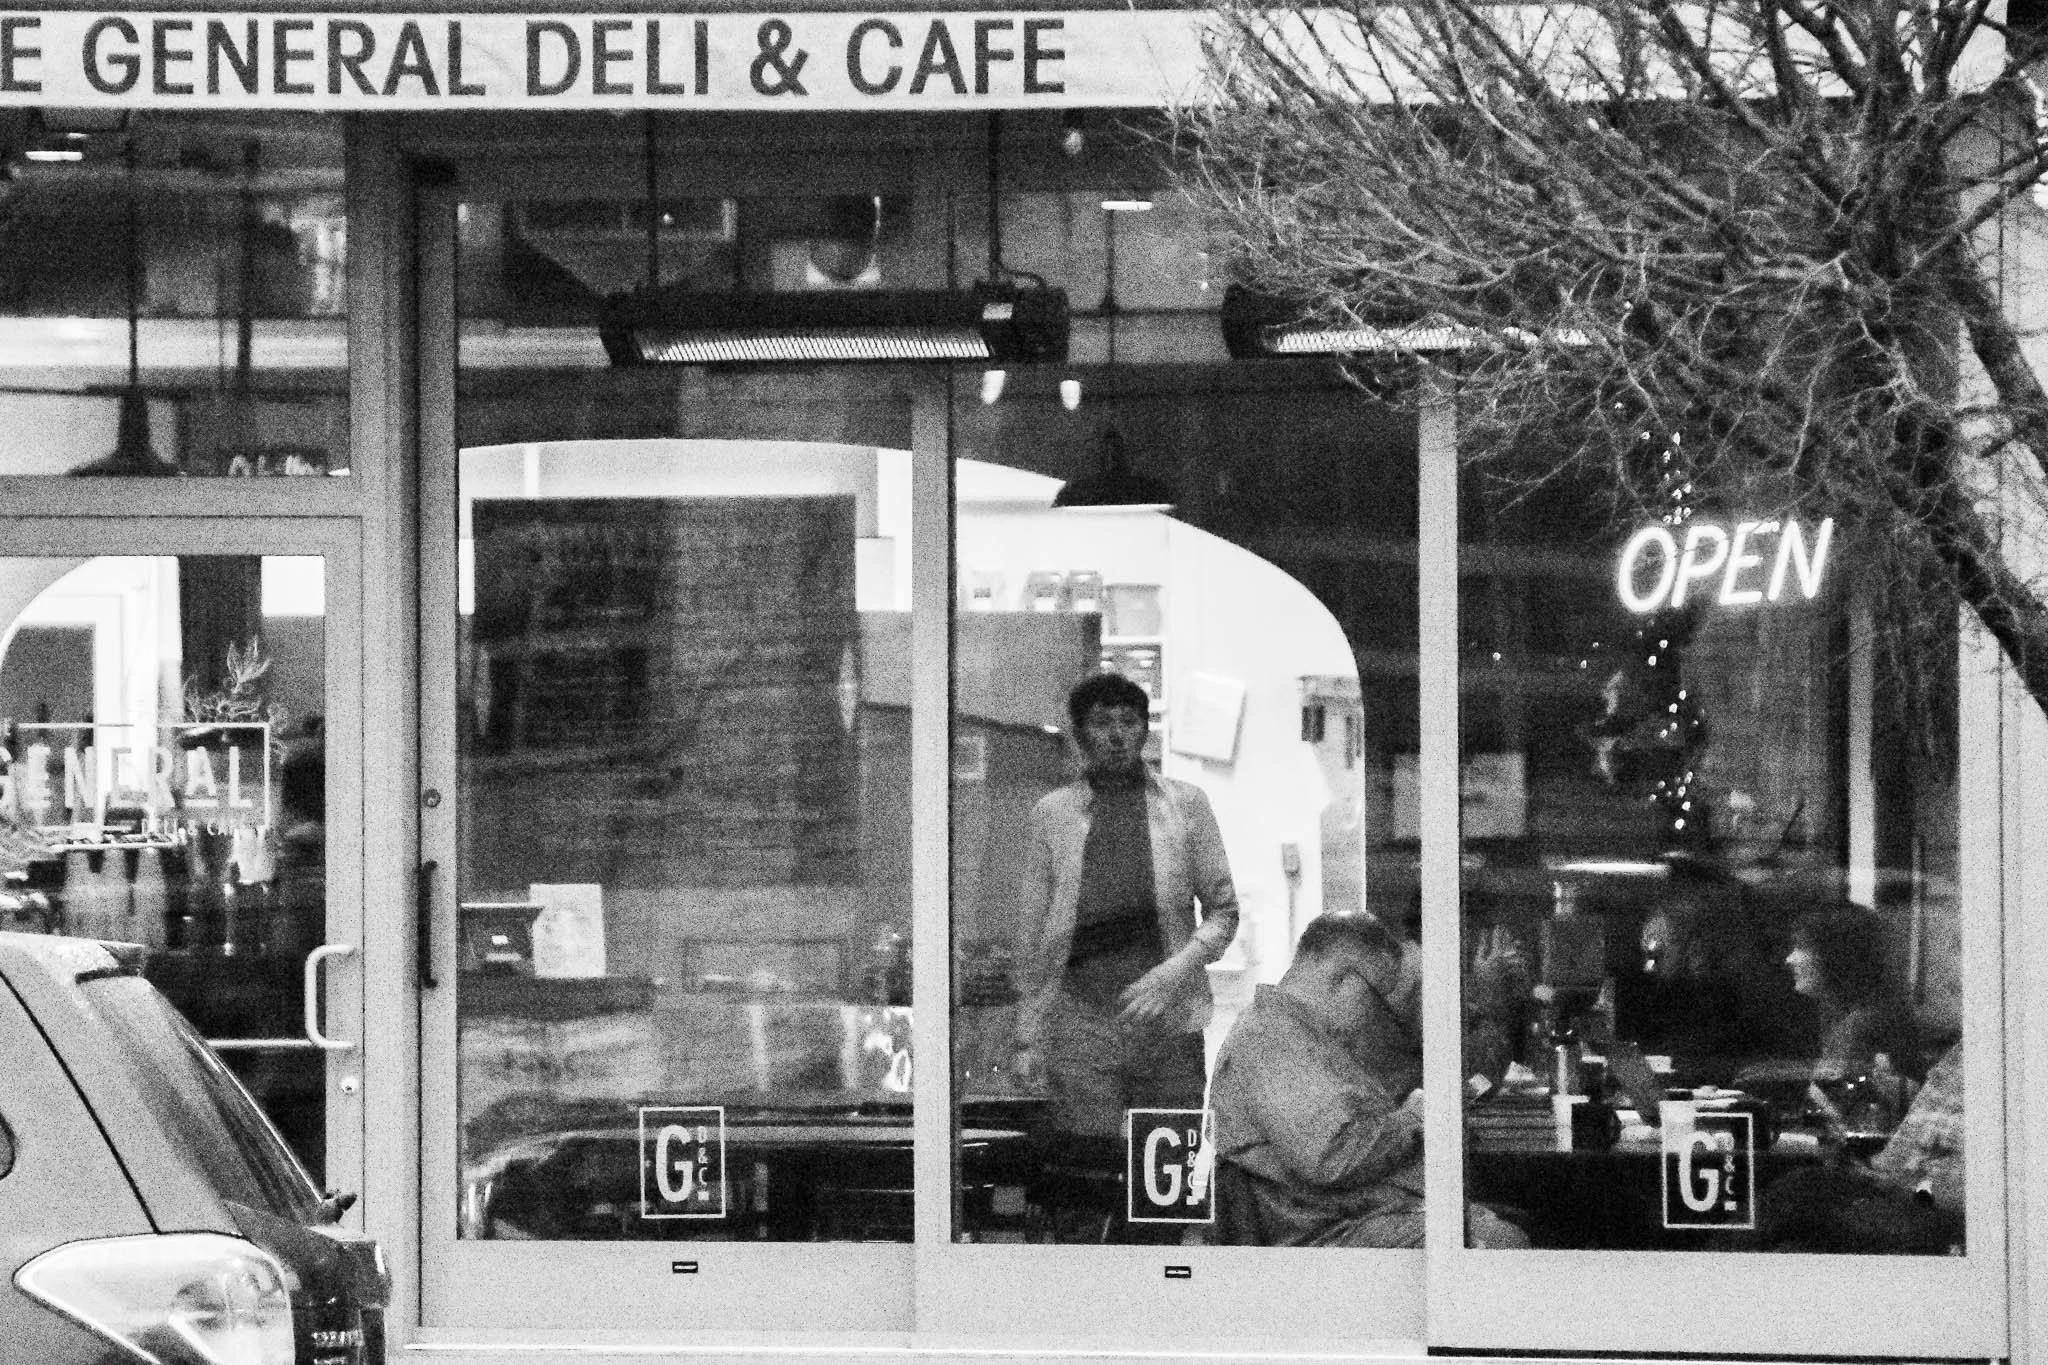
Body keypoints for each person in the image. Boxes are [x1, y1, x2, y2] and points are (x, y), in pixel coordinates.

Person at [1010, 671, 1240, 1138]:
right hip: (1079, 1022)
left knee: (1170, 1172)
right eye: (1101, 723)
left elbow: (1224, 912)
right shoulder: (1051, 814)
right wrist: (1027, 1031)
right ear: (1079, 735)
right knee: (1089, 1168)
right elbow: (1033, 932)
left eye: (1129, 721)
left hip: (1169, 1021)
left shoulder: (1186, 805)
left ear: (1144, 730)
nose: (1116, 735)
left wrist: (1175, 972)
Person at [1208, 913, 1528, 1248]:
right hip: (1330, 1234)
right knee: (1498, 1243)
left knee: (1509, 1227)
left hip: (1363, 1215)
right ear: (1343, 979)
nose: (1376, 1015)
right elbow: (1330, 1158)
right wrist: (1413, 1118)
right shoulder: (1270, 1037)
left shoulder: (1304, 1035)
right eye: (1378, 997)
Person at [1757, 1041, 1964, 1254]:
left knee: (1797, 1193)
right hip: (1891, 1192)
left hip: (1921, 1211)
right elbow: (1895, 1158)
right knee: (1797, 1189)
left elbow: (1957, 1196)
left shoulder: (1979, 1065)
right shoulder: (1956, 1061)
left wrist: (1891, 1183)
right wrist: (1864, 1169)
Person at [1786, 903, 1924, 1084]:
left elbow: (1827, 1108)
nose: (1789, 959)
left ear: (1836, 956)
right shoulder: (1850, 1016)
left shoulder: (1860, 1026)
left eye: (1802, 947)